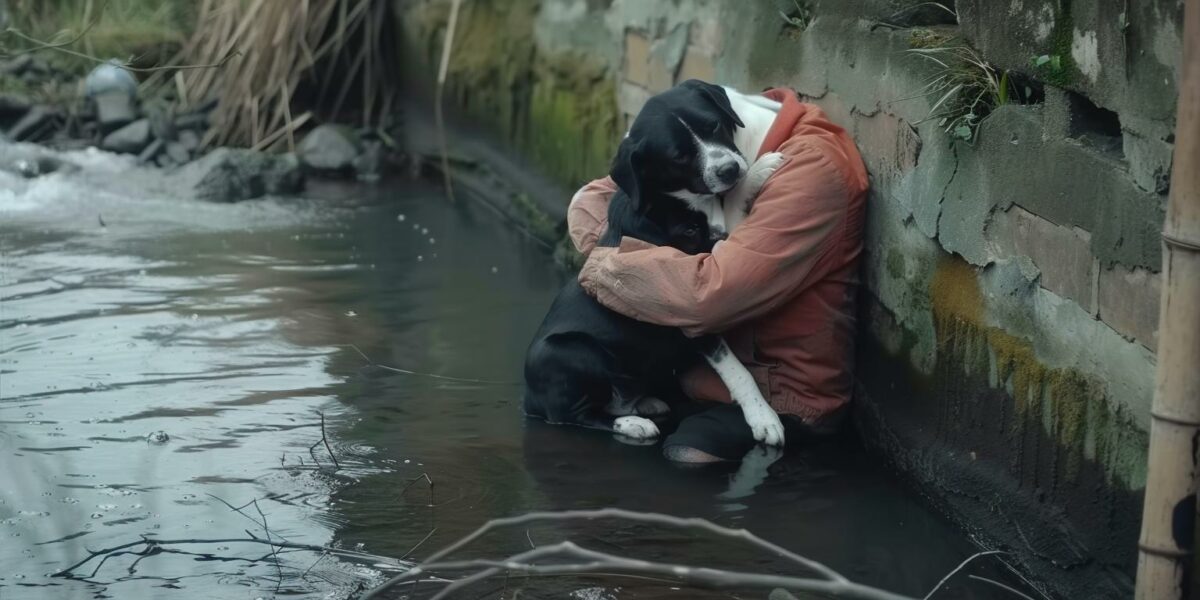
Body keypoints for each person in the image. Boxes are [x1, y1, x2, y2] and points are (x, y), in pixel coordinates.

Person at [566, 87, 868, 464]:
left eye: (712, 132)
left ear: (725, 118)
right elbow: (587, 202)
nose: (718, 160)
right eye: (681, 157)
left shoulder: (811, 171)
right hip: (691, 367)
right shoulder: (701, 122)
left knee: (683, 459)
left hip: (779, 397)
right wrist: (643, 264)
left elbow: (707, 298)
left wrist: (610, 266)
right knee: (590, 435)